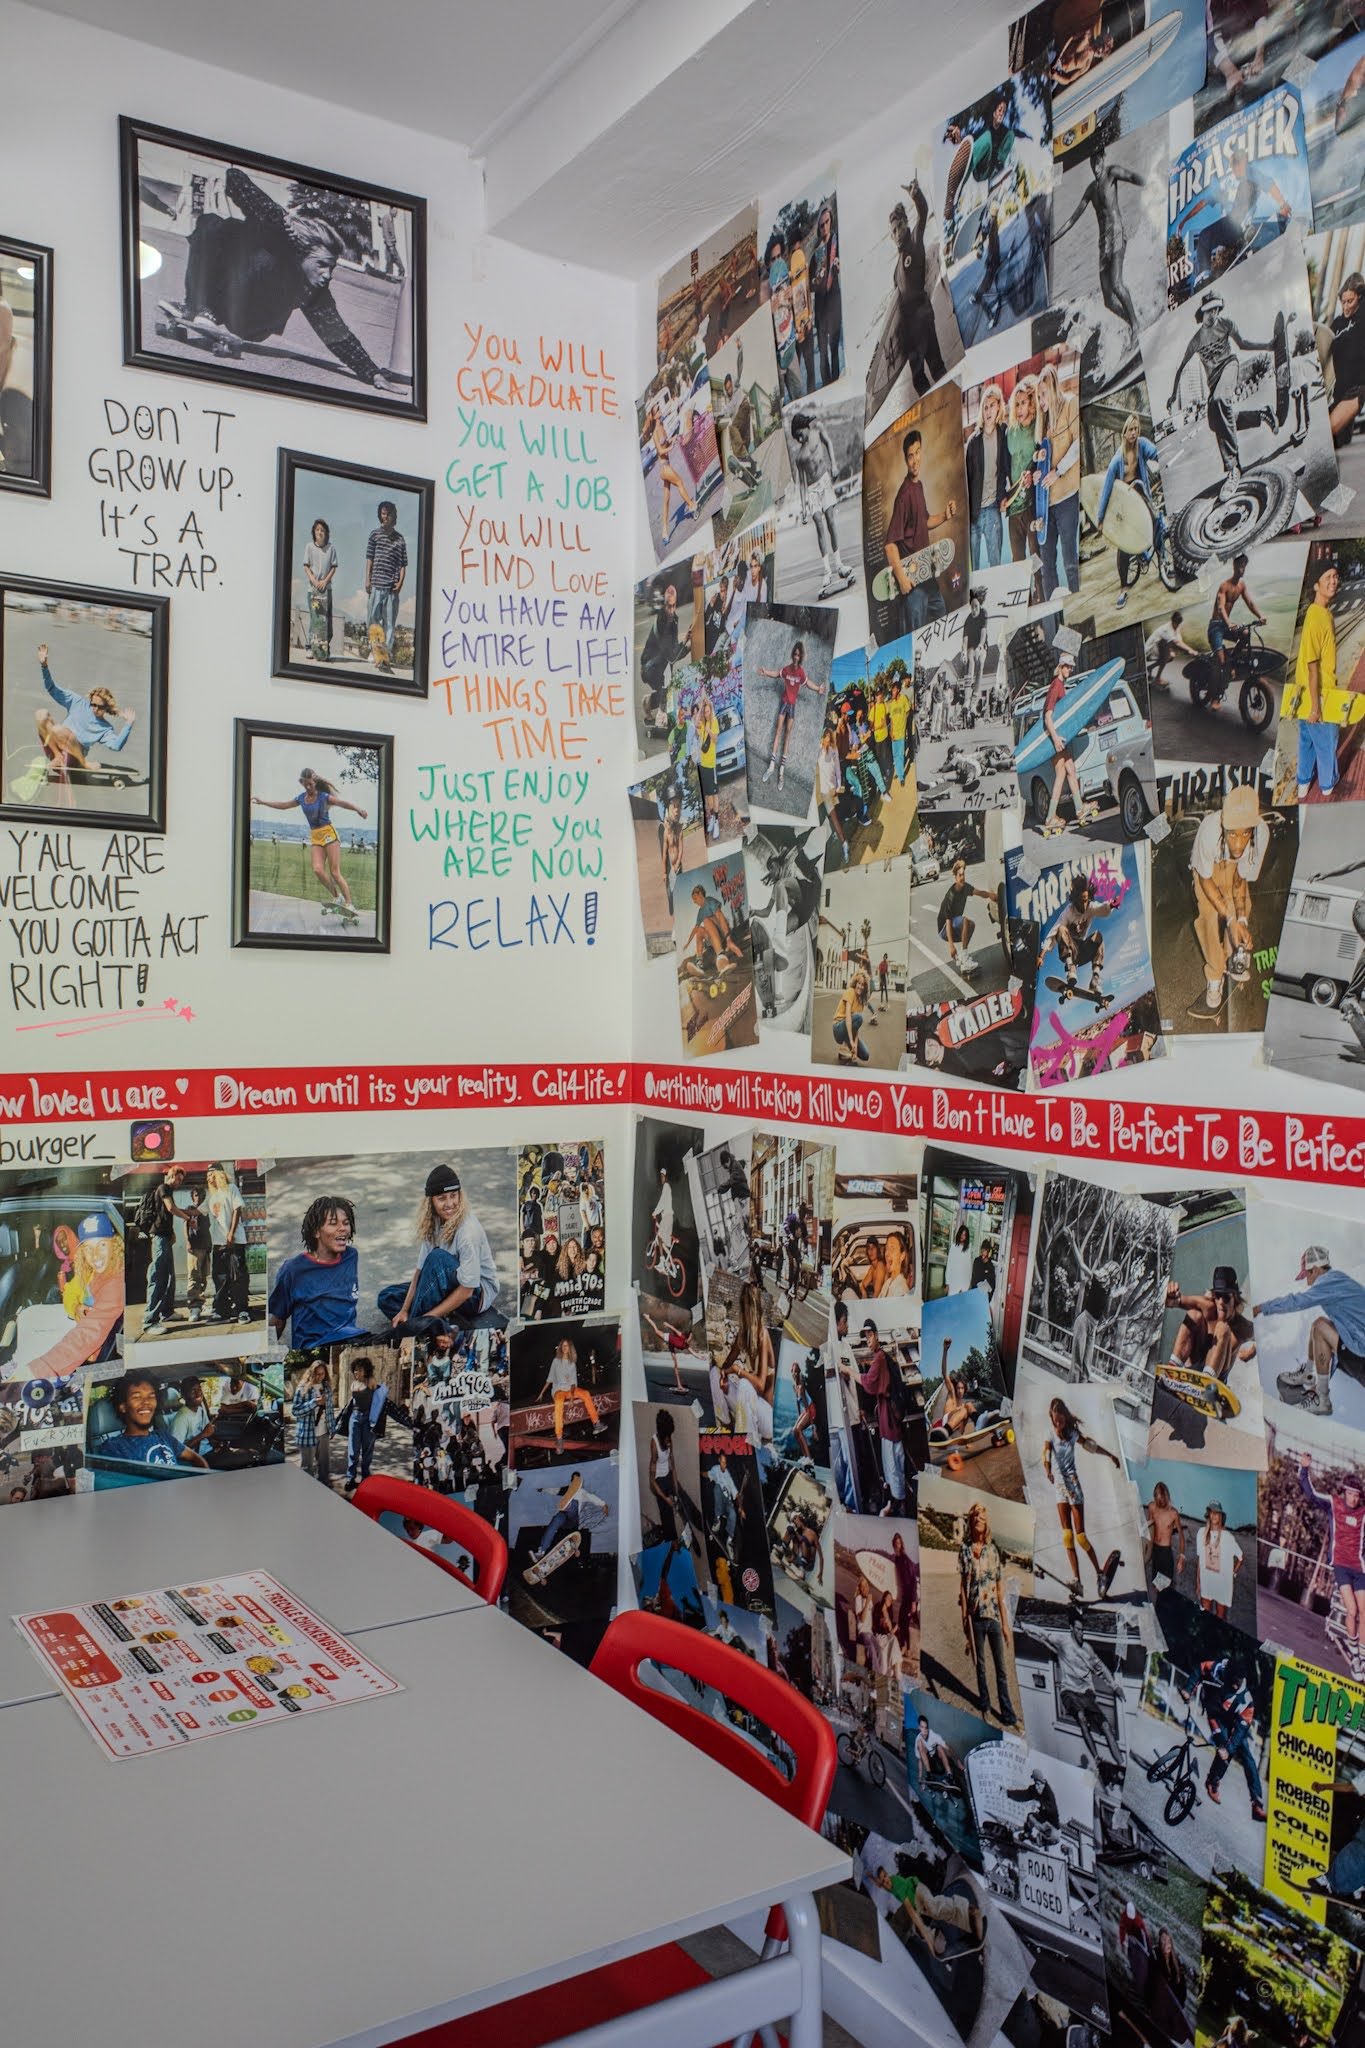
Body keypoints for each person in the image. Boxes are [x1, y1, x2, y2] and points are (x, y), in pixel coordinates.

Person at [164, 163, 403, 390]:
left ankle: (206, 310)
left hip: (251, 326)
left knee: (260, 250)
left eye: (331, 268)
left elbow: (338, 336)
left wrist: (372, 373)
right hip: (235, 296)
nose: (327, 275)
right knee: (215, 224)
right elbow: (234, 178)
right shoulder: (284, 238)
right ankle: (196, 307)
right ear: (302, 253)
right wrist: (276, 216)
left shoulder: (314, 292)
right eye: (321, 265)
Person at [1165, 290, 1282, 502]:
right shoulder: (1196, 341)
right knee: (1216, 423)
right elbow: (1181, 367)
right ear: (1202, 313)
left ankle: (1233, 468)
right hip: (1213, 382)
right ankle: (1262, 414)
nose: (1213, 315)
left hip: (1230, 366)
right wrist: (1173, 395)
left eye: (1216, 310)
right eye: (1209, 311)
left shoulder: (1226, 324)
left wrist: (1268, 346)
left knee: (1220, 401)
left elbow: (1243, 343)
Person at [1052, 140, 1147, 354]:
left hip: (1117, 234)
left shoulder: (1111, 173)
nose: (1095, 167)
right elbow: (1073, 218)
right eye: (1092, 163)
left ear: (1103, 159)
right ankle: (1134, 320)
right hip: (1103, 244)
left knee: (1117, 284)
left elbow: (1133, 177)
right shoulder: (1091, 189)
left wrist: (1151, 182)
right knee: (1108, 300)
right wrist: (1052, 239)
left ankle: (1136, 326)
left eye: (1097, 162)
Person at [379, 1164, 501, 1329]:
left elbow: (467, 1291)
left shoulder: (468, 1231)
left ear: (460, 1196)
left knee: (438, 1258)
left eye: (453, 1196)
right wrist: (404, 1310)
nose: (449, 1204)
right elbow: (420, 1272)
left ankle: (416, 1327)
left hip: (475, 1295)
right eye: (442, 1198)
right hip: (447, 1285)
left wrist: (425, 1318)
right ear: (431, 1201)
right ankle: (439, 1318)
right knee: (387, 1297)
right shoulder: (433, 1223)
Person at [1255, 1241, 1365, 1420]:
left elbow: (1296, 1301)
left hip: (1362, 1359)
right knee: (1321, 1326)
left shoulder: (1328, 1282)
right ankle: (1309, 1375)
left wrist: (1261, 1308)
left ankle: (1321, 1399)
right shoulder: (1341, 1281)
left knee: (1320, 1326)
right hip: (1359, 1356)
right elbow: (1342, 1341)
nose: (1307, 1282)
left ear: (1315, 1269)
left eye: (1307, 1275)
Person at [1188, 782, 1268, 1012]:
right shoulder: (1209, 831)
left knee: (1242, 909)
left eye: (1245, 833)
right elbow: (1205, 881)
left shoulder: (1261, 834)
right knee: (1208, 917)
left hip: (1233, 869)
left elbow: (1239, 882)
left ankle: (1234, 957)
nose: (1239, 843)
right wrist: (1230, 920)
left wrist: (1239, 920)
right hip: (1207, 870)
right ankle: (1215, 974)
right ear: (1223, 824)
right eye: (1232, 833)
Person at [21, 1209, 126, 1382]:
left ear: (114, 1245)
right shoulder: (91, 1270)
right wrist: (75, 1307)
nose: (95, 1255)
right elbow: (70, 1291)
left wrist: (38, 1370)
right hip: (80, 1323)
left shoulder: (116, 1281)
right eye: (88, 1248)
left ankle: (21, 1372)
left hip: (90, 1345)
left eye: (102, 1245)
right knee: (28, 1317)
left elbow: (89, 1333)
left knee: (34, 1342)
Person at [252, 766, 368, 922]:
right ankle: (337, 897)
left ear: (315, 782)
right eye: (305, 784)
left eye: (310, 784)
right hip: (316, 836)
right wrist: (263, 802)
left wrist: (358, 809)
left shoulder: (324, 797)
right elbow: (283, 805)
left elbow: (343, 803)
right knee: (318, 869)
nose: (308, 787)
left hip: (329, 834)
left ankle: (349, 904)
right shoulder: (301, 798)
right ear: (302, 782)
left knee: (335, 872)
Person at [1042, 1394, 1122, 1596]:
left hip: (1074, 1486)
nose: (1057, 1424)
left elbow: (1091, 1447)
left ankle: (1100, 1574)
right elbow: (1046, 1453)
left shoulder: (1072, 1434)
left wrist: (1110, 1455)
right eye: (1054, 1420)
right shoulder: (1050, 1434)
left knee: (1081, 1538)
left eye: (1060, 1420)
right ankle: (1077, 1581)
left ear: (1064, 1417)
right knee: (1067, 1536)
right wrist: (1047, 1468)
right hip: (1059, 1488)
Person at [884, 428, 957, 637]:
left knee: (942, 621)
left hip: (928, 577)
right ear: (905, 460)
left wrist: (945, 515)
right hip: (913, 582)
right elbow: (890, 545)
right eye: (910, 456)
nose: (915, 460)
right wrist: (901, 578)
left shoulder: (919, 487)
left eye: (917, 453)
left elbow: (924, 521)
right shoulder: (904, 494)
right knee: (915, 638)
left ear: (921, 452)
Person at [268, 1193, 362, 1350]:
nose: (342, 1228)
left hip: (351, 1337)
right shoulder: (293, 1270)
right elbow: (278, 1320)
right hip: (315, 1345)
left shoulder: (351, 1256)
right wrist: (263, 1353)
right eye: (333, 1223)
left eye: (346, 1223)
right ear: (316, 1231)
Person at [1296, 1452, 1365, 1666]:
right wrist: (1304, 1468)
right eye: (1350, 1494)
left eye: (1357, 1496)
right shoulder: (1334, 1504)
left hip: (1359, 1568)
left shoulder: (1363, 1513)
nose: (1353, 1499)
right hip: (1341, 1565)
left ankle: (1361, 1658)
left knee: (1364, 1613)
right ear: (1344, 1492)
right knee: (1352, 1611)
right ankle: (1355, 1655)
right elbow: (1311, 1493)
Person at [31, 642, 136, 773]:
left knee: (59, 729)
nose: (95, 709)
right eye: (93, 704)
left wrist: (129, 724)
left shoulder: (105, 728)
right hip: (54, 749)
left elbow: (116, 746)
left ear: (106, 708)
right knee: (41, 714)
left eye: (100, 707)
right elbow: (52, 688)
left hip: (73, 759)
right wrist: (44, 666)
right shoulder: (77, 702)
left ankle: (83, 763)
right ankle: (58, 757)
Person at [1286, 557, 1342, 801]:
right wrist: (1316, 706)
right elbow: (1312, 665)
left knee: (1307, 741)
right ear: (1316, 586)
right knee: (1327, 743)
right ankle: (1328, 786)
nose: (1333, 581)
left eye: (1335, 576)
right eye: (1327, 577)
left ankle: (1303, 783)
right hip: (1320, 694)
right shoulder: (1316, 617)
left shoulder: (1322, 613)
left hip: (1307, 693)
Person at [1039, 1609, 1122, 1773]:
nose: (1081, 1633)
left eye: (1082, 1630)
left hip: (1085, 1694)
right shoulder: (1062, 1640)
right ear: (1071, 1628)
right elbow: (1043, 1634)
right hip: (1068, 1691)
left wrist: (1114, 1686)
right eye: (1078, 1629)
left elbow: (1101, 1667)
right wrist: (1026, 1627)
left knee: (1106, 1726)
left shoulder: (1087, 1649)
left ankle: (1121, 1764)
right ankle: (1097, 1759)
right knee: (1082, 1718)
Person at [959, 1500, 1017, 1724]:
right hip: (975, 1617)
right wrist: (964, 1620)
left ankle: (1008, 1714)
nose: (979, 1520)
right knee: (980, 1666)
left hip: (993, 1616)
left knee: (1001, 1669)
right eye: (975, 1516)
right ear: (971, 1521)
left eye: (982, 1516)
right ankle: (985, 1705)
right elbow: (963, 1589)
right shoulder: (964, 1550)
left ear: (986, 1522)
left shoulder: (993, 1551)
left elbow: (1000, 1589)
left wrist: (1005, 1624)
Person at [786, 409, 855, 600]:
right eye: (796, 437)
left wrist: (834, 464)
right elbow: (801, 484)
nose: (799, 439)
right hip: (812, 489)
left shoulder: (818, 431)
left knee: (831, 521)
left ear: (804, 427)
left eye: (799, 434)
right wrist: (804, 507)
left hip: (824, 480)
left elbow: (829, 443)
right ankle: (827, 571)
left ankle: (839, 565)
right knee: (819, 525)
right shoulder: (799, 457)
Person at [1094, 413, 1161, 608]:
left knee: (1157, 523)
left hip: (1141, 494)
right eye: (1130, 429)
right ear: (1124, 433)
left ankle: (1163, 564)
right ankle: (1123, 588)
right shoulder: (1117, 460)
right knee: (1123, 545)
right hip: (1124, 503)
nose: (1134, 433)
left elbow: (1156, 453)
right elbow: (1106, 491)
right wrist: (1100, 519)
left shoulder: (1142, 445)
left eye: (1136, 429)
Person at [888, 180, 945, 396]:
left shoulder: (914, 242)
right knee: (919, 382)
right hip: (909, 335)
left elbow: (923, 214)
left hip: (924, 318)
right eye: (893, 231)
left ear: (905, 223)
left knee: (938, 369)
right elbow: (896, 308)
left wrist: (916, 195)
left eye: (899, 227)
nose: (897, 233)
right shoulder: (895, 271)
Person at [1193, 1655, 1266, 1818]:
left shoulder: (1246, 1701)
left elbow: (1239, 1732)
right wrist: (1188, 1688)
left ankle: (1257, 1802)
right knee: (1224, 1744)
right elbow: (1200, 1668)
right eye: (1232, 1681)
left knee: (1246, 1757)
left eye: (1237, 1683)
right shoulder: (1218, 1669)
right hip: (1216, 1714)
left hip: (1236, 1723)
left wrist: (1228, 1749)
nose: (1234, 1685)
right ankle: (1213, 1780)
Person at [1164, 1260, 1256, 1381]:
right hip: (1193, 1366)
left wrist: (1251, 1353)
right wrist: (1169, 1295)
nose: (1221, 1302)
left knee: (1223, 1328)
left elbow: (1264, 1337)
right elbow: (1172, 1302)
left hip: (1217, 1380)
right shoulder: (1207, 1306)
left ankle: (1207, 1381)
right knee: (1194, 1315)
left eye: (1226, 1297)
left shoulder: (1242, 1327)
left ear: (1235, 1299)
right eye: (1218, 1296)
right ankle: (1172, 1371)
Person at [97, 1370, 208, 1470]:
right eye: (136, 1397)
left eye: (151, 1396)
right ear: (123, 1407)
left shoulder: (163, 1436)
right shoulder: (114, 1448)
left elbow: (194, 1457)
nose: (146, 1402)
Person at [1037, 648, 1095, 838]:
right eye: (1068, 666)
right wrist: (1055, 739)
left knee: (1068, 769)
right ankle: (1050, 817)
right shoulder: (1056, 685)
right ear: (1061, 666)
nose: (1070, 669)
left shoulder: (1061, 685)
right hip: (1054, 739)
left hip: (1058, 739)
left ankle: (1078, 808)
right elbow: (1047, 717)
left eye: (1071, 667)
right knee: (1062, 772)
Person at [1036, 362, 1081, 598]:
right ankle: (1053, 612)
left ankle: (1078, 607)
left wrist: (1058, 470)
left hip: (1067, 498)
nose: (1040, 401)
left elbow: (1078, 444)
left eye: (1043, 394)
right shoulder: (1043, 423)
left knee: (1071, 562)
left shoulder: (1071, 403)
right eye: (1038, 397)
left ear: (1053, 387)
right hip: (1047, 506)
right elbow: (1042, 460)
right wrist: (1038, 473)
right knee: (1047, 567)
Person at [758, 638, 823, 792]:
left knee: (787, 735)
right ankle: (771, 767)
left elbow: (808, 683)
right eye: (794, 654)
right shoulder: (787, 669)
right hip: (784, 704)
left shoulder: (801, 673)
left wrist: (818, 689)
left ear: (801, 657)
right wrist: (765, 672)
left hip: (792, 707)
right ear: (792, 654)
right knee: (778, 731)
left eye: (798, 655)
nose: (796, 657)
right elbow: (777, 674)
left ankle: (781, 773)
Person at [874, 1864, 982, 1956]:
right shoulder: (888, 1886)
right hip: (917, 1903)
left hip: (918, 1892)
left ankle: (969, 1911)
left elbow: (912, 1913)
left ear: (887, 1874)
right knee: (935, 1914)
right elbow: (879, 1884)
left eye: (885, 1877)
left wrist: (928, 1940)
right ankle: (962, 1925)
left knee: (934, 1910)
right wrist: (869, 1875)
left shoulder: (897, 1885)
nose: (885, 1881)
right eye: (883, 1881)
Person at [720, 1280, 776, 1455]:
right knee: (714, 1373)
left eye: (746, 1307)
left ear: (754, 1308)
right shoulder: (743, 1335)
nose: (744, 1313)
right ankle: (724, 1423)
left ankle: (748, 1446)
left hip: (768, 1419)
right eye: (742, 1307)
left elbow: (760, 1385)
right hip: (752, 1407)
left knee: (744, 1384)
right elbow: (726, 1365)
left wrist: (738, 1370)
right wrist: (723, 1376)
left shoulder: (763, 1335)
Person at [857, 1319, 904, 1512]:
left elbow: (869, 1383)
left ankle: (897, 1501)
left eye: (870, 1335)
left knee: (891, 1460)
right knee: (896, 1459)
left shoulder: (879, 1358)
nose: (868, 1340)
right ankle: (897, 1498)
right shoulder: (884, 1356)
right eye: (865, 1337)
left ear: (876, 1335)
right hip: (893, 1416)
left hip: (888, 1418)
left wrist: (849, 1371)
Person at [534, 1335, 609, 1456]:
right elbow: (550, 1378)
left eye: (567, 1346)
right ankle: (559, 1438)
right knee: (559, 1404)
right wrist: (541, 1393)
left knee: (586, 1393)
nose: (565, 1348)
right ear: (560, 1348)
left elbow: (573, 1383)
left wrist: (572, 1398)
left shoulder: (572, 1363)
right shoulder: (556, 1361)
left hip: (570, 1390)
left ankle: (596, 1423)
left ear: (570, 1348)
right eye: (563, 1346)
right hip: (558, 1391)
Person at [529, 1470, 609, 1569]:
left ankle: (569, 1505)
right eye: (573, 1480)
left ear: (579, 1481)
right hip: (563, 1516)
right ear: (571, 1481)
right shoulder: (567, 1489)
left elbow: (591, 1497)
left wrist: (603, 1504)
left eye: (576, 1479)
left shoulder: (582, 1492)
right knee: (555, 1522)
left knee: (573, 1505)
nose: (574, 1481)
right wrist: (544, 1489)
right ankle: (541, 1552)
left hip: (573, 1519)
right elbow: (555, 1490)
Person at [1053, 869, 1114, 997]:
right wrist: (1042, 953)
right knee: (1061, 929)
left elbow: (1101, 909)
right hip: (1071, 951)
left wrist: (1110, 905)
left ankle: (1095, 979)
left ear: (1089, 897)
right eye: (1081, 901)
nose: (1084, 904)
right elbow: (1055, 930)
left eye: (1086, 900)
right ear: (1075, 899)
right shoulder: (1069, 911)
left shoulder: (1091, 907)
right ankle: (1070, 967)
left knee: (1098, 936)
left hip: (1083, 951)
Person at [967, 383, 1008, 570]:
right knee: (973, 567)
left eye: (992, 405)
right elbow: (967, 478)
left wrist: (1004, 496)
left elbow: (1005, 468)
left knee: (995, 564)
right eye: (985, 407)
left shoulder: (1003, 433)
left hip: (992, 508)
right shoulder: (973, 441)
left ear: (999, 407)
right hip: (974, 512)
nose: (988, 411)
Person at [644, 396, 697, 544]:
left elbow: (665, 442)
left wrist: (673, 439)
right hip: (664, 467)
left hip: (667, 464)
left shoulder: (661, 425)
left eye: (659, 408)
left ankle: (664, 532)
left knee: (666, 501)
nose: (660, 410)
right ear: (654, 416)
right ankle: (691, 505)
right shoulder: (655, 431)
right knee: (679, 482)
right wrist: (670, 447)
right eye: (657, 410)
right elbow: (660, 450)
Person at [364, 500, 408, 671]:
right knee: (373, 620)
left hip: (391, 588)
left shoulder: (400, 539)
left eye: (389, 514)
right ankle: (374, 651)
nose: (386, 516)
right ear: (380, 515)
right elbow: (369, 558)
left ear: (394, 516)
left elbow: (403, 564)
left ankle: (385, 654)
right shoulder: (374, 535)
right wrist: (367, 579)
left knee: (389, 622)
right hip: (376, 584)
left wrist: (401, 582)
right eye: (383, 513)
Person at [1209, 553, 1266, 680]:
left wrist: (1260, 616)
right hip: (1216, 626)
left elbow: (1250, 603)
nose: (1242, 569)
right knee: (1221, 661)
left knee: (1245, 633)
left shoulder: (1241, 585)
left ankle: (1233, 659)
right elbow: (1220, 608)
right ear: (1234, 566)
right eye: (1240, 565)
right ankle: (1222, 669)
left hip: (1226, 625)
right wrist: (1229, 623)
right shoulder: (1224, 586)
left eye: (1244, 566)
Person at [141, 1165, 184, 1334]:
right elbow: (171, 1208)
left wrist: (172, 1232)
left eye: (181, 1181)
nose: (179, 1183)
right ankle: (149, 1321)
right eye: (178, 1179)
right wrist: (188, 1218)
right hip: (159, 1238)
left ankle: (167, 1312)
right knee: (158, 1277)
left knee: (169, 1276)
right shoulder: (163, 1188)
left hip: (165, 1237)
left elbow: (164, 1216)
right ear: (171, 1176)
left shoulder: (167, 1190)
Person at [1003, 376, 1039, 576]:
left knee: (1036, 560)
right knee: (1018, 564)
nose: (1019, 409)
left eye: (1023, 403)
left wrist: (1032, 474)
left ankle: (1040, 592)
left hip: (1031, 504)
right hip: (1013, 507)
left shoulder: (1038, 428)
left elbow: (1043, 458)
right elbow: (1004, 467)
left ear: (1031, 403)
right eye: (1016, 404)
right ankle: (1025, 595)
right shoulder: (1010, 431)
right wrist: (1003, 496)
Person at [336, 1357, 387, 1493]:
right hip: (355, 1418)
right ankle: (350, 1479)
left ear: (366, 1370)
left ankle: (365, 1478)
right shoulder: (353, 1384)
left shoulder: (371, 1381)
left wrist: (377, 1420)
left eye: (359, 1370)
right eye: (355, 1370)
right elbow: (352, 1403)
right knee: (353, 1449)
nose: (356, 1372)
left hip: (368, 1419)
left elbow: (379, 1399)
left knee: (367, 1450)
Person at [937, 857, 994, 974]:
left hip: (953, 924)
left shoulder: (965, 887)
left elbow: (979, 893)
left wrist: (991, 895)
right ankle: (964, 957)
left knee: (971, 925)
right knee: (965, 921)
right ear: (955, 876)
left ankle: (963, 960)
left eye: (963, 875)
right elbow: (948, 922)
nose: (962, 878)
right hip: (944, 929)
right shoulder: (951, 895)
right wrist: (951, 946)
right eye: (959, 875)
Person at [1327, 272, 1365, 446]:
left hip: (1358, 389)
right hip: (1338, 393)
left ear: (1360, 298)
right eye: (1343, 302)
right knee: (1335, 440)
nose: (1345, 306)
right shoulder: (1337, 324)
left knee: (1328, 434)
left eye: (1350, 301)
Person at [641, 581, 685, 726]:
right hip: (650, 667)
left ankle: (648, 702)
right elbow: (670, 654)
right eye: (668, 606)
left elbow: (673, 649)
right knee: (667, 689)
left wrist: (685, 643)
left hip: (660, 664)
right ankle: (661, 716)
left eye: (673, 606)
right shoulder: (662, 621)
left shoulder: (674, 620)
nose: (671, 610)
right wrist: (686, 645)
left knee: (669, 688)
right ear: (664, 605)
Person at [811, 201, 842, 387]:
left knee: (834, 350)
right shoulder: (816, 252)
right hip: (821, 309)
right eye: (821, 225)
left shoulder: (838, 242)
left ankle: (837, 384)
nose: (824, 227)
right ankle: (828, 386)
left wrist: (839, 266)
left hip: (834, 303)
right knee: (823, 355)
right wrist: (816, 279)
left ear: (831, 220)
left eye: (827, 222)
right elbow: (810, 284)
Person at [1195, 1500, 1243, 1618]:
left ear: (1221, 1516)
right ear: (1208, 1515)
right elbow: (1200, 1561)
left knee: (1220, 1618)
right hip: (1206, 1581)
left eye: (1217, 1513)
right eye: (1212, 1512)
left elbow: (1241, 1557)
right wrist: (1198, 1583)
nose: (1214, 1515)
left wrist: (1233, 1573)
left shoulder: (1228, 1537)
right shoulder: (1201, 1533)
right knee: (1204, 1616)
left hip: (1222, 1584)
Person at [291, 1358, 334, 1486]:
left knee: (324, 1466)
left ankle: (324, 1487)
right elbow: (295, 1411)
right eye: (317, 1374)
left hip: (324, 1433)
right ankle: (307, 1490)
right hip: (307, 1434)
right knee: (307, 1468)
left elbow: (330, 1410)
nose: (320, 1377)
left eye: (322, 1374)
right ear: (311, 1373)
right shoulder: (302, 1389)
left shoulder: (327, 1388)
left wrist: (332, 1428)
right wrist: (314, 1402)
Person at [303, 516, 337, 661]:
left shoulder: (331, 548)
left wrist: (325, 581)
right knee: (315, 618)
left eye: (322, 530)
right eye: (317, 530)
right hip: (313, 589)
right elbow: (306, 566)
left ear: (326, 532)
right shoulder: (309, 547)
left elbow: (334, 567)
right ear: (314, 532)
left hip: (326, 589)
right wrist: (313, 580)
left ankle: (324, 649)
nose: (320, 532)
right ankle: (310, 647)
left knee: (326, 619)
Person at [1146, 1479, 1186, 1591]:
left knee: (1165, 1587)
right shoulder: (1151, 1507)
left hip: (1165, 1553)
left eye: (1162, 1500)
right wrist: (1146, 1551)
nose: (1160, 1503)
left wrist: (1181, 1557)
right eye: (1157, 1499)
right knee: (1155, 1585)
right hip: (1155, 1551)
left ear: (1166, 1497)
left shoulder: (1173, 1513)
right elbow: (1149, 1529)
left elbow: (1181, 1536)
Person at [692, 687, 721, 840]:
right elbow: (696, 722)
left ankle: (716, 821)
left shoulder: (714, 722)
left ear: (711, 711)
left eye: (708, 711)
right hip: (703, 764)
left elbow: (716, 739)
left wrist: (709, 730)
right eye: (705, 712)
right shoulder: (702, 723)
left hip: (711, 765)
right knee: (708, 794)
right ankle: (711, 818)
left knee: (714, 794)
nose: (706, 714)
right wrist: (702, 706)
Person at [181, 1186, 212, 1324]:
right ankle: (193, 1307)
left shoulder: (205, 1209)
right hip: (194, 1247)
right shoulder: (190, 1208)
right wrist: (188, 1241)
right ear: (192, 1196)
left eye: (200, 1194)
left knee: (203, 1277)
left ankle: (200, 1304)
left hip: (205, 1247)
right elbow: (185, 1225)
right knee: (194, 1276)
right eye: (195, 1194)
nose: (198, 1197)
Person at [1146, 611, 1199, 691]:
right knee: (1165, 646)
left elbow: (1180, 641)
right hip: (1150, 650)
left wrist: (1189, 651)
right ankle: (1157, 678)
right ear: (1172, 621)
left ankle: (1150, 668)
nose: (1177, 625)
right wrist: (1191, 650)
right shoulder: (1166, 629)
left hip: (1158, 649)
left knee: (1171, 656)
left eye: (1178, 624)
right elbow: (1176, 643)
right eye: (1176, 623)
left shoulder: (1177, 627)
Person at [833, 966, 874, 1064]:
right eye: (859, 983)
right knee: (859, 1018)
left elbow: (856, 1028)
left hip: (848, 1031)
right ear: (855, 983)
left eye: (862, 985)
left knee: (865, 1055)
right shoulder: (850, 992)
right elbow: (848, 1017)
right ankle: (845, 1046)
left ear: (865, 987)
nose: (860, 986)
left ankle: (843, 1053)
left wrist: (854, 1047)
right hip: (838, 1028)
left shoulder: (861, 1003)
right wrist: (851, 1041)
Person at [169, 1375, 214, 1457]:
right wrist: (203, 1434)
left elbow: (207, 1431)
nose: (198, 1393)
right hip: (198, 1457)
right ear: (184, 1396)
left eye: (199, 1389)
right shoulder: (181, 1419)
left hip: (209, 1450)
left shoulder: (200, 1410)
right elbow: (177, 1450)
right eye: (193, 1391)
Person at [945, 1221, 973, 1294]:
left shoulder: (968, 1249)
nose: (962, 1236)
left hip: (964, 1283)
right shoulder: (953, 1247)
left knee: (962, 1301)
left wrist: (969, 1282)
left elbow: (969, 1267)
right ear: (958, 1233)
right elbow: (949, 1265)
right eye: (961, 1234)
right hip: (953, 1281)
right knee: (952, 1300)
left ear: (966, 1237)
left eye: (964, 1235)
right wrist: (947, 1282)